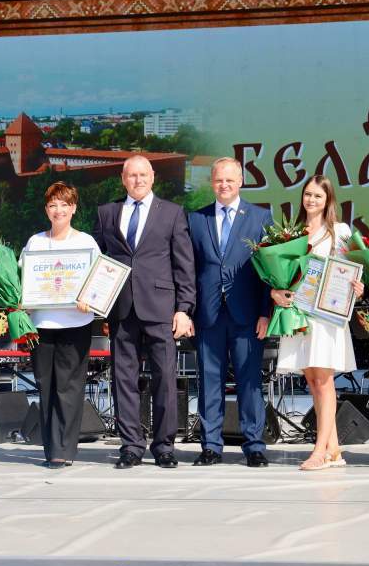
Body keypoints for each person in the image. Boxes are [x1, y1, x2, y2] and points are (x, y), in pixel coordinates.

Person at [92, 155, 196, 469]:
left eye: (143, 175)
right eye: (131, 175)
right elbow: (96, 260)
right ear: (123, 179)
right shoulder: (107, 212)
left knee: (164, 377)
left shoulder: (173, 213)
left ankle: (164, 446)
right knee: (124, 379)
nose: (138, 180)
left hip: (161, 308)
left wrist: (185, 309)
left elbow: (184, 264)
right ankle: (131, 446)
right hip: (121, 308)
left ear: (153, 177)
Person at [271, 175, 363, 470]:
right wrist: (278, 290)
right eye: (308, 195)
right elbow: (283, 273)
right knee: (312, 380)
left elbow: (352, 271)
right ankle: (334, 450)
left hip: (326, 317)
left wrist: (358, 286)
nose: (311, 200)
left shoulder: (340, 231)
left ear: (328, 200)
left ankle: (320, 451)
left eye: (318, 196)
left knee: (323, 381)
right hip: (299, 314)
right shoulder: (293, 232)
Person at [186, 158, 273, 468]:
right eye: (218, 180)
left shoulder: (262, 216)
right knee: (209, 381)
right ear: (212, 183)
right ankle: (210, 446)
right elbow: (189, 268)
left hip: (248, 313)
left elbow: (269, 270)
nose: (224, 185)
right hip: (208, 314)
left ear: (241, 181)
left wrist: (266, 311)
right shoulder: (196, 219)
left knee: (250, 382)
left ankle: (255, 446)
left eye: (230, 180)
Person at [21, 182, 101, 469]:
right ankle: (50, 447)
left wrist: (89, 299)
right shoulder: (35, 242)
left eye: (64, 205)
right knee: (45, 387)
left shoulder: (86, 242)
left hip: (75, 323)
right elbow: (24, 281)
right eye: (53, 205)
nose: (58, 210)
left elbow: (98, 283)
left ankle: (65, 450)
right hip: (41, 324)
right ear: (46, 210)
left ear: (74, 208)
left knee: (69, 387)